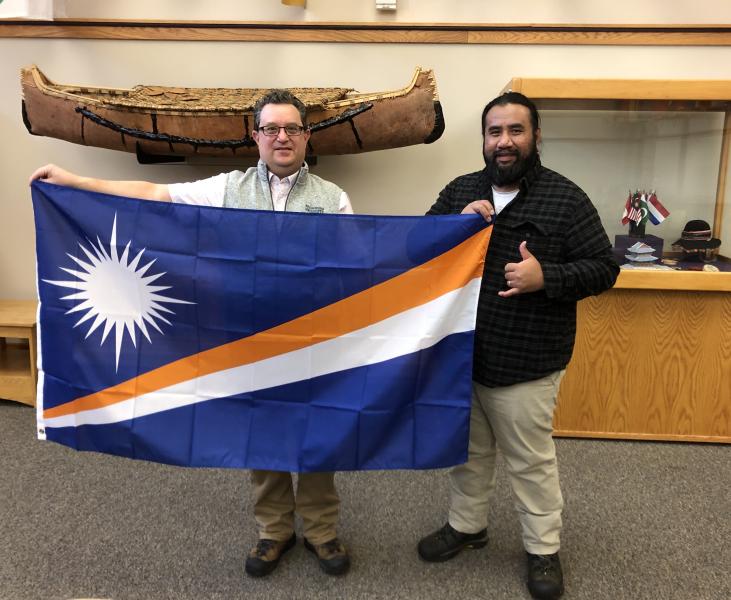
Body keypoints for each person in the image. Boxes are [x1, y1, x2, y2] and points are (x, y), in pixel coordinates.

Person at [30, 90, 352, 579]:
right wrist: (75, 182)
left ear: (307, 136)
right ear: (256, 137)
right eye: (271, 128)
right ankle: (274, 530)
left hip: (311, 339)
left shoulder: (334, 199)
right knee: (260, 433)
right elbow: (157, 196)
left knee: (314, 432)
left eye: (291, 128)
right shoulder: (228, 189)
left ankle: (322, 530)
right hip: (248, 338)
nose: (281, 137)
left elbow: (357, 267)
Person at [417, 92, 619, 600]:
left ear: (535, 136)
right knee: (469, 453)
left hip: (527, 361)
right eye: (494, 132)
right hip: (463, 358)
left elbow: (604, 268)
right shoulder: (461, 189)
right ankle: (467, 527)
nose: (504, 142)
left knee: (530, 461)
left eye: (515, 131)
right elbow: (418, 246)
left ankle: (543, 549)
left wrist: (545, 276)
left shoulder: (566, 199)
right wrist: (454, 224)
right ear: (484, 139)